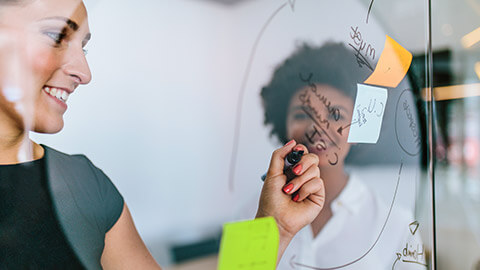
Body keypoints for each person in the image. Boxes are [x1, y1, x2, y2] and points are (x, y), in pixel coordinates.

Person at [0, 0, 325, 269]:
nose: (84, 73)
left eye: (84, 47)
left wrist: (271, 226)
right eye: (56, 35)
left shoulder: (85, 184)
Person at [259, 42, 416, 269]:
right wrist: (273, 226)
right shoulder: (253, 214)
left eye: (335, 114)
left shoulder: (396, 225)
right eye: (302, 114)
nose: (318, 128)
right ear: (283, 126)